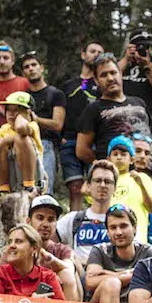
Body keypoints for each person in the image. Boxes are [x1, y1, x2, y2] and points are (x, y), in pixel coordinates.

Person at [24, 194, 83, 303]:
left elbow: (69, 267)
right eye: (40, 217)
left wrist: (49, 259)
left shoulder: (62, 249)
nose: (45, 224)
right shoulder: (19, 248)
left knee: (67, 275)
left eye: (51, 219)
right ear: (28, 221)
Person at [75, 54, 150, 167]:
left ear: (120, 73)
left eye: (113, 73)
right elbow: (81, 150)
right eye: (104, 75)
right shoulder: (93, 109)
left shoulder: (139, 102)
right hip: (114, 175)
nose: (110, 78)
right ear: (96, 80)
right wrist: (104, 166)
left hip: (145, 172)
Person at [59, 40, 104, 211]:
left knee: (99, 184)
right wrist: (60, 138)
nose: (96, 54)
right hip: (69, 139)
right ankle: (75, 226)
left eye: (100, 52)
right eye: (92, 51)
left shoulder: (102, 85)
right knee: (75, 186)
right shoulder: (68, 85)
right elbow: (59, 112)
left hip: (94, 141)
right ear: (83, 55)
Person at [86, 203, 152, 303]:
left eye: (123, 226)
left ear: (134, 228)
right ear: (107, 232)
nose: (118, 232)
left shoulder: (149, 253)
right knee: (112, 284)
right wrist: (129, 274)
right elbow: (90, 282)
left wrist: (108, 274)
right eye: (113, 228)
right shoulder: (99, 250)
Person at [20, 51, 66, 194]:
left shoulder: (55, 94)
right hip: (23, 144)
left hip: (46, 145)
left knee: (44, 190)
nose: (31, 69)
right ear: (23, 73)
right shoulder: (23, 96)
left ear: (42, 68)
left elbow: (58, 124)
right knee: (24, 191)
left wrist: (35, 119)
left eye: (34, 65)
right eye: (27, 67)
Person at [57, 159, 117, 268]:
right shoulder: (73, 219)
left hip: (112, 277)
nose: (102, 185)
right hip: (79, 277)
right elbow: (48, 244)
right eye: (98, 181)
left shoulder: (122, 221)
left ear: (115, 188)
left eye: (108, 182)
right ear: (88, 185)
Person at [106, 135, 152, 243]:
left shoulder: (142, 178)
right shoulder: (105, 181)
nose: (119, 157)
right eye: (115, 154)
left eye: (123, 154)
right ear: (109, 159)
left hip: (138, 239)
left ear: (131, 159)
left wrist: (141, 185)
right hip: (110, 238)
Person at [0, 91, 41, 195]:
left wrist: (21, 118)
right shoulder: (5, 128)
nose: (11, 114)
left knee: (21, 139)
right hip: (11, 176)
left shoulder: (32, 125)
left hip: (33, 176)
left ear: (29, 112)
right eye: (8, 110)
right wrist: (6, 140)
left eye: (17, 110)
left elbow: (20, 128)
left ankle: (29, 185)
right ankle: (3, 188)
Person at [118, 29, 152, 134]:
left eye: (146, 47)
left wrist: (147, 68)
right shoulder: (122, 65)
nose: (143, 50)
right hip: (120, 119)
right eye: (139, 47)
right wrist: (126, 59)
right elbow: (109, 77)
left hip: (147, 122)